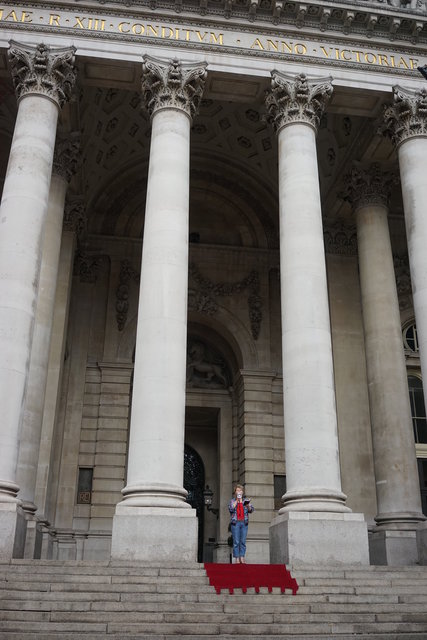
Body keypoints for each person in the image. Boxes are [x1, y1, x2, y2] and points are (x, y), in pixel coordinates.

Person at [228, 484, 254, 563]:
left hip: (244, 523)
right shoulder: (232, 501)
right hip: (235, 523)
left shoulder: (245, 501)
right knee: (236, 541)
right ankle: (236, 558)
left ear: (242, 492)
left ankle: (242, 557)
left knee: (243, 541)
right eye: (237, 490)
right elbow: (231, 509)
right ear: (235, 492)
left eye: (240, 490)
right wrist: (237, 500)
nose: (239, 492)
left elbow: (251, 510)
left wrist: (248, 505)